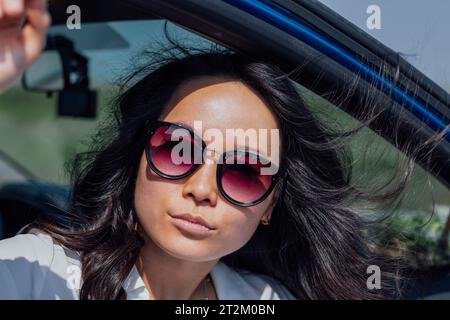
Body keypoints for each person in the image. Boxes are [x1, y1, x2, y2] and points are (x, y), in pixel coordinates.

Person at [0, 0, 416, 300]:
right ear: (138, 156)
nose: (202, 189)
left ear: (271, 204)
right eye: (177, 149)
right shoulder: (37, 272)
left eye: (245, 172)